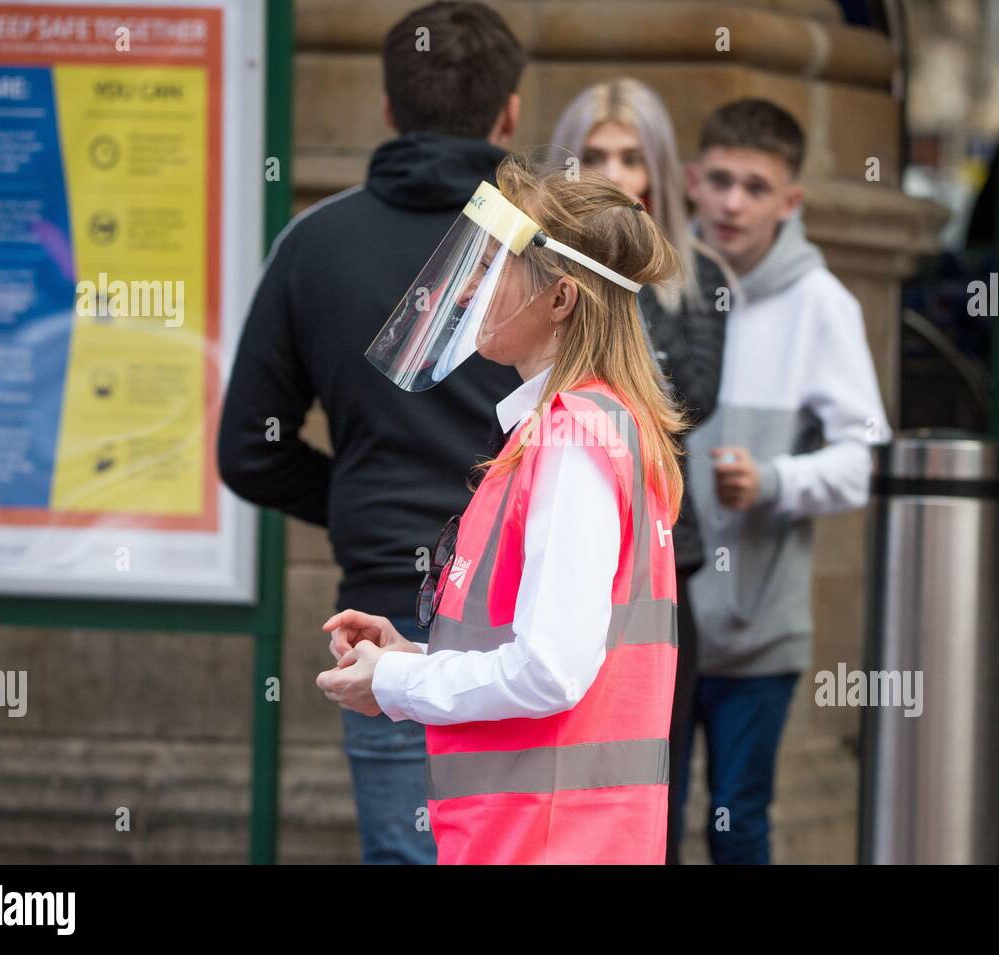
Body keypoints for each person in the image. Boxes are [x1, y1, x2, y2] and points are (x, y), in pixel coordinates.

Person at [216, 1, 526, 865]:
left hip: (390, 607)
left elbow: (248, 448)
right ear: (510, 112)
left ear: (388, 108)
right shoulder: (550, 252)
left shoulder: (313, 245)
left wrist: (360, 498)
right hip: (536, 610)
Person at [316, 155, 685, 864]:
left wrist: (394, 680)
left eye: (495, 266)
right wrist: (413, 658)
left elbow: (549, 669)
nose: (466, 292)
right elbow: (556, 652)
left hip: (543, 842)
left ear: (561, 299)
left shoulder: (571, 436)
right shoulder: (590, 424)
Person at [680, 99, 892, 864]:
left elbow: (863, 458)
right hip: (657, 623)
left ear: (790, 200)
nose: (734, 203)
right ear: (692, 181)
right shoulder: (660, 282)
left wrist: (773, 479)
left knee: (738, 822)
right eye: (722, 181)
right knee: (645, 827)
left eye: (757, 187)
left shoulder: (821, 305)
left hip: (756, 632)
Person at [550, 77, 736, 864]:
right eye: (595, 155)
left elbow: (685, 400)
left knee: (652, 784)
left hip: (659, 565)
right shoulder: (535, 273)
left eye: (631, 157)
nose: (615, 174)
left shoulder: (699, 278)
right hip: (555, 551)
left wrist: (617, 285)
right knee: (560, 779)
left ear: (657, 170)